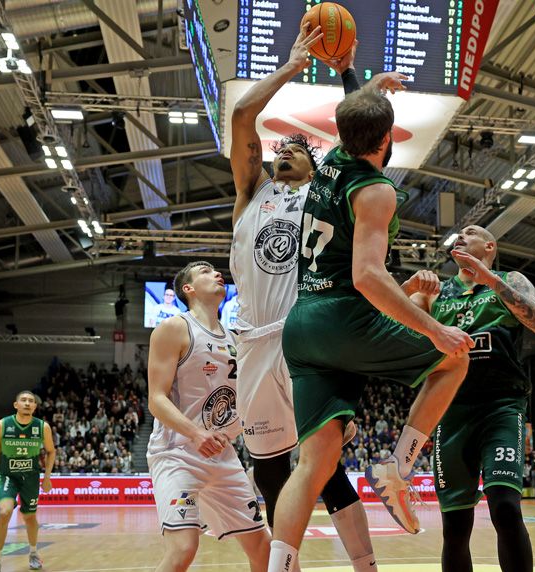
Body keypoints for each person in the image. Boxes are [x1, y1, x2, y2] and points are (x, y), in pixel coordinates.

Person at [266, 67, 476, 571]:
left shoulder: (332, 159)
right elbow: (366, 277)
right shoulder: (376, 190)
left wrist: (359, 80)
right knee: (453, 359)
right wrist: (435, 329)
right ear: (386, 138)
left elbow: (353, 120)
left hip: (301, 326)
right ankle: (397, 469)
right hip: (343, 318)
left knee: (313, 465)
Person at [230, 23, 405, 572]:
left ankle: (364, 564)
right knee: (276, 475)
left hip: (307, 334)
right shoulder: (249, 193)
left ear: (315, 165)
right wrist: (290, 67)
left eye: (296, 148)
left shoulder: (324, 192)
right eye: (278, 148)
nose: (284, 150)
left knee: (324, 462)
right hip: (256, 344)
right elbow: (241, 120)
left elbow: (360, 145)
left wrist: (363, 88)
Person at [410, 224, 535, 572]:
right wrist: (410, 289)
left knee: (505, 505)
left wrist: (490, 280)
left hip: (501, 406)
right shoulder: (437, 293)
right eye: (457, 233)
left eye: (470, 232)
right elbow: (391, 330)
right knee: (455, 526)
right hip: (450, 411)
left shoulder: (511, 281)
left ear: (489, 245)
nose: (460, 236)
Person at [146, 261, 269, 572]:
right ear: (188, 289)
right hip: (178, 454)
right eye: (204, 271)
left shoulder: (236, 338)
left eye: (217, 270)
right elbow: (156, 399)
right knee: (184, 549)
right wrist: (196, 434)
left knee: (265, 550)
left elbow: (248, 400)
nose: (216, 273)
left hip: (222, 453)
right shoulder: (174, 328)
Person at [0, 391, 55, 572]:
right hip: (7, 475)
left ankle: (33, 554)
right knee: (5, 511)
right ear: (16, 405)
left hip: (31, 477)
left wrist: (47, 477)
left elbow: (51, 451)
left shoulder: (42, 427)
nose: (27, 403)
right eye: (23, 400)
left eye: (31, 401)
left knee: (30, 517)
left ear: (35, 407)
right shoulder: (1, 425)